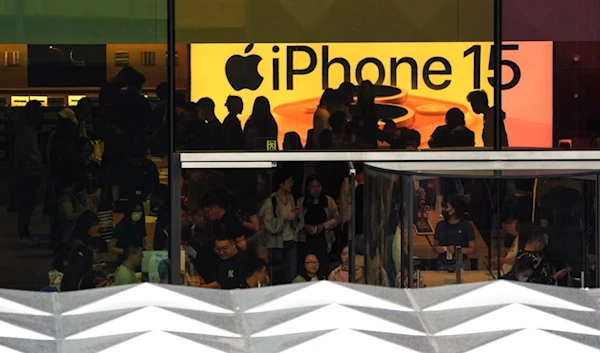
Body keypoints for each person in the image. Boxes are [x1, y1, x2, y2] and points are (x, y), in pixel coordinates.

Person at [257, 168, 302, 284]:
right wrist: (285, 217)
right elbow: (269, 225)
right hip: (276, 244)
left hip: (291, 239)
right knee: (277, 275)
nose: (292, 183)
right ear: (281, 183)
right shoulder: (270, 201)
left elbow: (297, 221)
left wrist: (296, 215)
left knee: (291, 275)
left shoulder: (291, 197)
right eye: (289, 181)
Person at [297, 175, 341, 277]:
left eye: (318, 186)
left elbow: (337, 218)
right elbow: (295, 221)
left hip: (323, 238)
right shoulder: (301, 202)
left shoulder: (328, 200)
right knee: (306, 266)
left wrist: (324, 226)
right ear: (308, 188)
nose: (316, 190)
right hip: (305, 239)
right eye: (313, 187)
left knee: (322, 265)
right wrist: (304, 227)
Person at [15, 100, 44, 246]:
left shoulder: (29, 128)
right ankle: (23, 234)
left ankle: (25, 233)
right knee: (26, 204)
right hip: (28, 172)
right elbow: (23, 152)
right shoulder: (25, 130)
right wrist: (35, 163)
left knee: (29, 204)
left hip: (31, 170)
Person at [432, 195, 477, 271]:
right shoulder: (440, 225)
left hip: (460, 264)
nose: (443, 210)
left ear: (455, 209)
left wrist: (457, 250)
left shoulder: (466, 225)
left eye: (446, 207)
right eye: (443, 207)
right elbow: (435, 246)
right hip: (442, 264)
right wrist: (437, 249)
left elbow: (473, 249)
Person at [109, 199, 147, 264]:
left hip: (138, 261)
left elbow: (143, 245)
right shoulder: (121, 226)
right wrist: (127, 251)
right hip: (124, 261)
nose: (138, 214)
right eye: (135, 211)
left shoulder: (140, 226)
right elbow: (110, 248)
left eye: (140, 212)